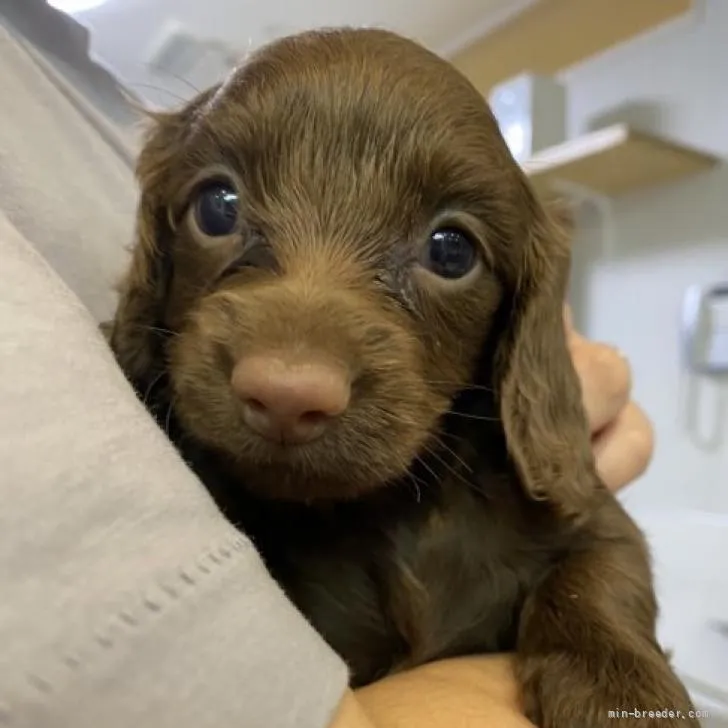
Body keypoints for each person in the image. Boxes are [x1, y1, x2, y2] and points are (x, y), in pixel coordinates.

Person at [0, 3, 654, 727]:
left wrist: (599, 650)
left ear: (519, 309)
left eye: (448, 253)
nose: (289, 376)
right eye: (219, 212)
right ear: (159, 240)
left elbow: (594, 539)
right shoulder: (192, 486)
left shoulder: (513, 498)